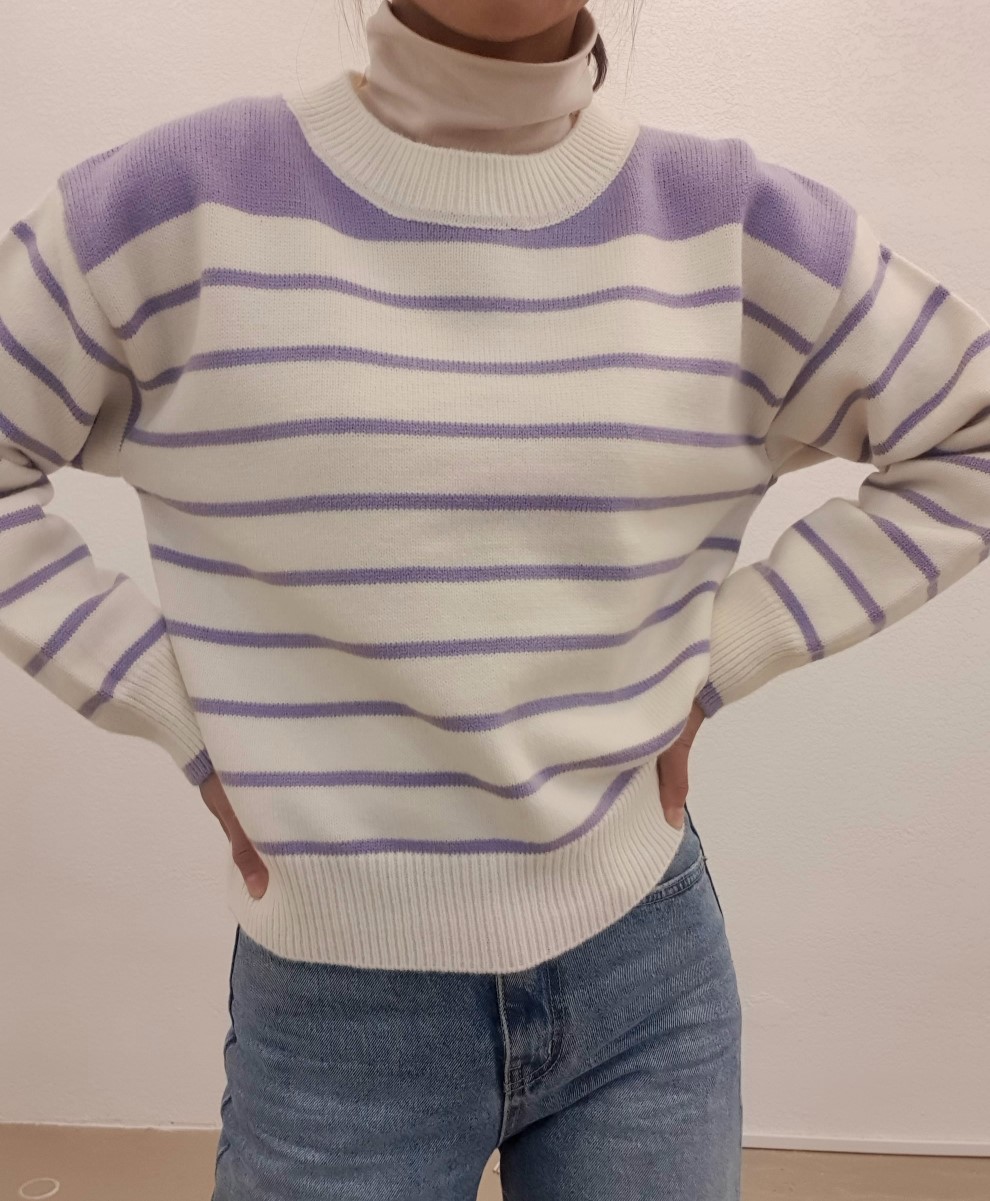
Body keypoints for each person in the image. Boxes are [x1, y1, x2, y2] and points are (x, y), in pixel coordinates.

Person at [3, 1, 989, 1197]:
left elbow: (968, 431)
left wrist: (722, 653)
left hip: (648, 969)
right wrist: (176, 708)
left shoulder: (736, 227)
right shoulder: (175, 203)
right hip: (335, 1006)